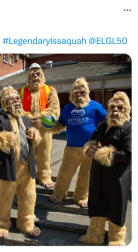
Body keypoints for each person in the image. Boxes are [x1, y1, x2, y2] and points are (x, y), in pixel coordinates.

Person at [0, 86, 41, 238]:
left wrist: (35, 135)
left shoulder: (26, 119)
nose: (16, 101)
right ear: (5, 102)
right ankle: (1, 223)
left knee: (29, 198)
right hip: (8, 169)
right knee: (5, 198)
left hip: (27, 169)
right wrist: (3, 138)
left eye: (17, 98)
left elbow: (34, 140)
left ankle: (26, 223)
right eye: (12, 99)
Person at [78, 91, 131, 246]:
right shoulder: (102, 126)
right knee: (97, 205)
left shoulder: (129, 128)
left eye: (120, 108)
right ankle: (94, 236)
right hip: (98, 175)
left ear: (126, 110)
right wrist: (88, 150)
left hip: (117, 178)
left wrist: (101, 153)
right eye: (112, 107)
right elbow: (91, 141)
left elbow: (129, 153)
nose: (115, 110)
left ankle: (116, 239)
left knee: (116, 208)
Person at [48, 78, 107, 208]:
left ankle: (81, 197)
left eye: (82, 92)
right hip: (71, 148)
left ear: (87, 93)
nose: (79, 95)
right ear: (72, 94)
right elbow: (60, 124)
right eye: (76, 92)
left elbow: (107, 122)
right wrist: (48, 125)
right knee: (65, 172)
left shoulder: (95, 106)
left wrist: (103, 140)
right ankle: (59, 194)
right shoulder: (68, 109)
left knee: (86, 175)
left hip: (90, 149)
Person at [19, 63, 60, 188]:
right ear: (29, 76)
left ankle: (44, 176)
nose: (35, 76)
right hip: (27, 127)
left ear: (42, 75)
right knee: (25, 152)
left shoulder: (50, 90)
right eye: (33, 74)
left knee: (44, 153)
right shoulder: (21, 90)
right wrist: (29, 119)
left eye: (38, 74)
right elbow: (17, 108)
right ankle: (25, 176)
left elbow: (54, 109)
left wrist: (41, 119)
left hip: (44, 129)